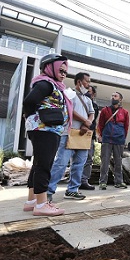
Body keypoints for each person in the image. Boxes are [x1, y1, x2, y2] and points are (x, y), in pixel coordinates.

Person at [22, 53, 71, 216]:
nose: (63, 74)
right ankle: (42, 204)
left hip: (44, 129)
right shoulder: (46, 83)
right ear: (49, 67)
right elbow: (29, 102)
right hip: (45, 129)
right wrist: (31, 116)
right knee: (45, 165)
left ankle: (32, 201)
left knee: (38, 164)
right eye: (60, 70)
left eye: (65, 72)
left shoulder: (51, 84)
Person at [47, 72, 94, 201]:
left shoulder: (88, 99)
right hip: (68, 133)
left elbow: (92, 113)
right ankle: (48, 191)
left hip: (82, 134)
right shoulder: (69, 94)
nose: (88, 84)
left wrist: (87, 123)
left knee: (79, 164)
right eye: (87, 81)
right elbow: (69, 110)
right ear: (79, 82)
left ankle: (72, 190)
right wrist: (86, 121)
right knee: (61, 163)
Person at [97, 92, 130, 190]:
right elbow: (100, 124)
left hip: (119, 139)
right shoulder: (105, 110)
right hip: (107, 138)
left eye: (115, 96)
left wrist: (123, 138)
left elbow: (126, 127)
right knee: (105, 161)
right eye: (112, 96)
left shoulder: (125, 112)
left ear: (120, 99)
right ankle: (102, 182)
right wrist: (100, 136)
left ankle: (119, 182)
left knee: (118, 162)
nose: (113, 97)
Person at [80, 85, 99, 190]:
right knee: (77, 158)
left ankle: (84, 180)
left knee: (88, 158)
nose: (87, 92)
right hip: (78, 133)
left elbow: (93, 119)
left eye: (89, 91)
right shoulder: (79, 101)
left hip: (89, 134)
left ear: (93, 94)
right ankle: (75, 181)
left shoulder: (95, 106)